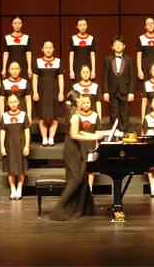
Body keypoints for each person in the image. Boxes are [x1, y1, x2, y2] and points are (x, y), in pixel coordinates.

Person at [50, 91, 104, 221]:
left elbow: (80, 131)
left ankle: (85, 208)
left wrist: (95, 135)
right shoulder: (74, 116)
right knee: (75, 180)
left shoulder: (76, 115)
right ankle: (59, 210)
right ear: (77, 101)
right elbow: (74, 135)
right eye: (80, 98)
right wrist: (93, 137)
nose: (82, 100)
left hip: (75, 149)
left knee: (83, 176)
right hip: (72, 151)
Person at [33, 40, 65, 147]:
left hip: (54, 91)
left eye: (50, 47)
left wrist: (61, 92)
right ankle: (44, 138)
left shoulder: (58, 61)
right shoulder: (38, 62)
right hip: (42, 91)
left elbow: (60, 78)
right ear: (42, 49)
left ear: (54, 49)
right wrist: (35, 92)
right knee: (42, 116)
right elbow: (35, 78)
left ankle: (51, 138)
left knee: (53, 116)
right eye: (46, 47)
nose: (48, 50)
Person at [0, 94, 31, 200]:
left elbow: (26, 130)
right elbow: (2, 131)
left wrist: (27, 145)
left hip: (20, 144)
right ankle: (13, 189)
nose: (13, 104)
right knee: (10, 169)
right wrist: (2, 146)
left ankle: (19, 189)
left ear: (19, 102)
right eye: (11, 102)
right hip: (9, 144)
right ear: (7, 103)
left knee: (21, 168)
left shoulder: (23, 115)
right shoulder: (4, 116)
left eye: (15, 101)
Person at [102, 36, 135, 135]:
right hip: (112, 90)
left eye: (120, 44)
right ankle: (114, 134)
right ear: (112, 47)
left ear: (124, 46)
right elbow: (105, 76)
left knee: (124, 114)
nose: (118, 46)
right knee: (113, 113)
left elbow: (132, 77)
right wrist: (106, 92)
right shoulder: (107, 59)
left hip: (125, 90)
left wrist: (131, 92)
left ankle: (123, 133)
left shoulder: (129, 60)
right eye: (116, 44)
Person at [76, 94, 102, 191]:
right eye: (84, 103)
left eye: (88, 102)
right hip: (80, 144)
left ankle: (89, 188)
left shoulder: (95, 115)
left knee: (91, 168)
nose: (86, 105)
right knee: (80, 167)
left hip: (91, 144)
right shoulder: (76, 115)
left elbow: (97, 131)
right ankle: (80, 189)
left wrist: (96, 143)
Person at [0, 61, 32, 130]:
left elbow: (28, 100)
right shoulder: (5, 83)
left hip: (22, 110)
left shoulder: (25, 82)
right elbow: (1, 100)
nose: (15, 71)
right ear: (9, 70)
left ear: (20, 70)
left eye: (17, 69)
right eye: (12, 69)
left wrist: (29, 115)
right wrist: (1, 115)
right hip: (8, 110)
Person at [69, 18, 97, 82]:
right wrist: (71, 70)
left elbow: (92, 55)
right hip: (76, 65)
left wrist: (93, 69)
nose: (82, 27)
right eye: (80, 25)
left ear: (87, 26)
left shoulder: (91, 38)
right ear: (77, 26)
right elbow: (71, 55)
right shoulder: (73, 38)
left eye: (84, 25)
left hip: (88, 65)